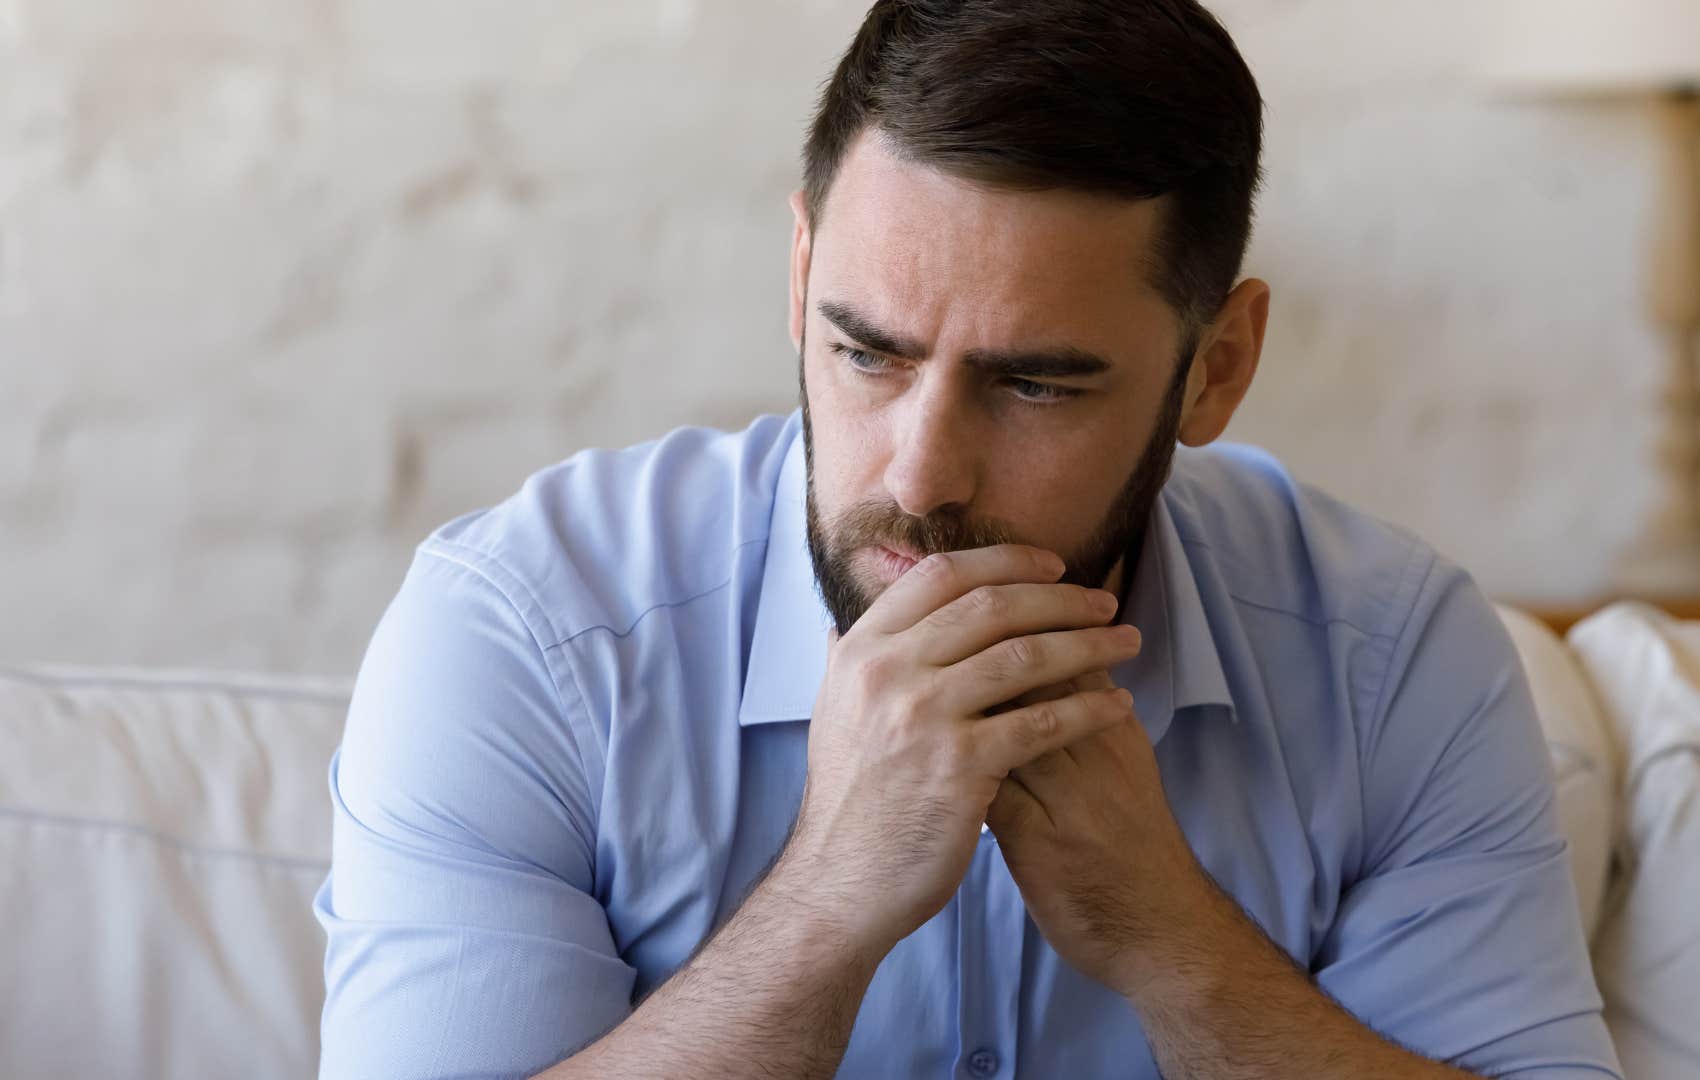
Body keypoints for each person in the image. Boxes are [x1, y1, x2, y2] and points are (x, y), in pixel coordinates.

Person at [314, 2, 1622, 1077]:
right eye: (865, 352)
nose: (921, 473)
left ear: (1216, 368)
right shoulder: (526, 628)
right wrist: (828, 900)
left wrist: (1170, 941)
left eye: (1037, 384)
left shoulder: (1391, 655)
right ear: (799, 274)